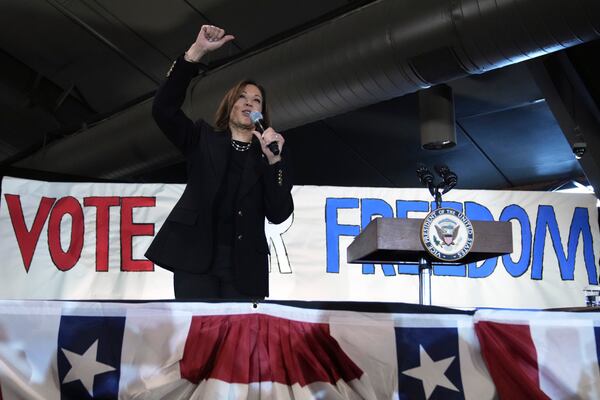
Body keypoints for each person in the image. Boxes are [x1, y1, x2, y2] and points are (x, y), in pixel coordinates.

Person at [145, 25, 294, 300]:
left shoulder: (268, 157)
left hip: (244, 266)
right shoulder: (202, 137)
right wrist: (196, 52)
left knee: (237, 342)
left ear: (262, 113)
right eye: (242, 97)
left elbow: (279, 213)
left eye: (257, 100)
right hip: (196, 258)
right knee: (200, 339)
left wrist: (275, 161)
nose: (249, 103)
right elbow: (163, 109)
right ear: (231, 104)